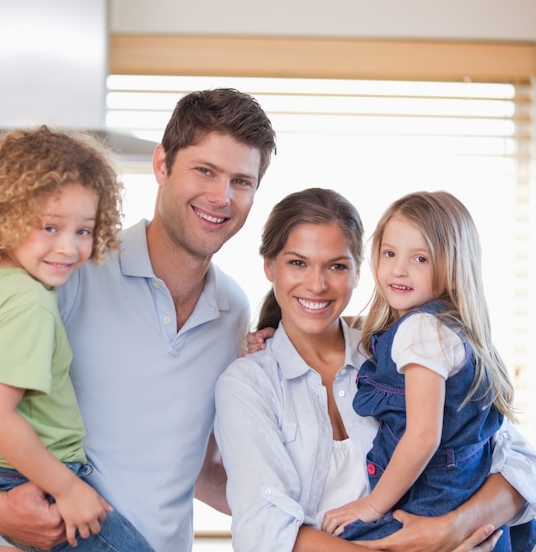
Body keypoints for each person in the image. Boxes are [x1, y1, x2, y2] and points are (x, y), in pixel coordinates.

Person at [0, 89, 278, 552]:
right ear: (161, 165)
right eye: (205, 171)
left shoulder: (233, 309)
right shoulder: (65, 268)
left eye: (241, 181)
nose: (221, 197)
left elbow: (201, 472)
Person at [214, 187, 536, 552]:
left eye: (337, 266)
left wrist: (452, 527)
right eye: (297, 263)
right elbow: (265, 530)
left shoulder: (399, 351)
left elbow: (517, 461)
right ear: (270, 266)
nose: (317, 285)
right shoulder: (248, 383)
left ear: (358, 272)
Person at [0, 126, 155, 551]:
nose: (69, 248)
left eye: (83, 231)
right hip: (38, 474)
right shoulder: (29, 303)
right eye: (50, 227)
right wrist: (68, 490)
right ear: (6, 214)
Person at [319, 191, 536, 550]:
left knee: (350, 539)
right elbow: (373, 332)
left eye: (420, 258)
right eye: (390, 253)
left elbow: (423, 437)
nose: (399, 269)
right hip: (463, 486)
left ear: (453, 272)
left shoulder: (420, 332)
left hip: (430, 497)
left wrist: (372, 505)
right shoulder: (447, 328)